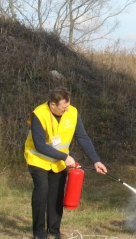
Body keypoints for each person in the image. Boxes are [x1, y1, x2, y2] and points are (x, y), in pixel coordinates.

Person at [24, 87, 107, 239]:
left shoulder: (73, 113)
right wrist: (64, 157)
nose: (66, 110)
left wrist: (96, 161)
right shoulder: (39, 114)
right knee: (42, 191)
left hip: (58, 163)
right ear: (52, 105)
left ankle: (54, 232)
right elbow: (39, 145)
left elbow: (82, 137)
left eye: (68, 106)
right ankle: (39, 233)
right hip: (38, 160)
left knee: (56, 195)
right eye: (63, 108)